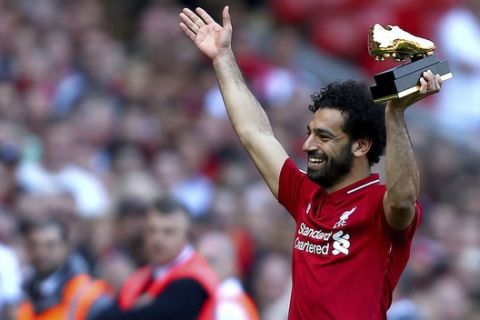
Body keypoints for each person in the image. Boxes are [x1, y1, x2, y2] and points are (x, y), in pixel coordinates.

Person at [179, 6, 443, 319]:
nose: (307, 145)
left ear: (360, 145)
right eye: (309, 133)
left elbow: (402, 201)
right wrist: (223, 58)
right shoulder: (305, 193)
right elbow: (255, 133)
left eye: (323, 137)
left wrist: (395, 116)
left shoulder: (379, 205)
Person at [96, 197, 218, 320]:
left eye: (168, 232)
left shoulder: (194, 280)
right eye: (151, 230)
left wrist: (136, 310)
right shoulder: (140, 277)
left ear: (188, 236)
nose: (157, 239)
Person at [17, 218, 112, 320]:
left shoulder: (88, 294)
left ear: (66, 247)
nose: (41, 252)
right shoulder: (20, 292)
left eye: (50, 245)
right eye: (34, 245)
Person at [197, 231, 260, 320]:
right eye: (200, 261)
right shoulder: (225, 300)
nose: (204, 267)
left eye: (211, 261)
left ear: (231, 264)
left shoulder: (228, 306)